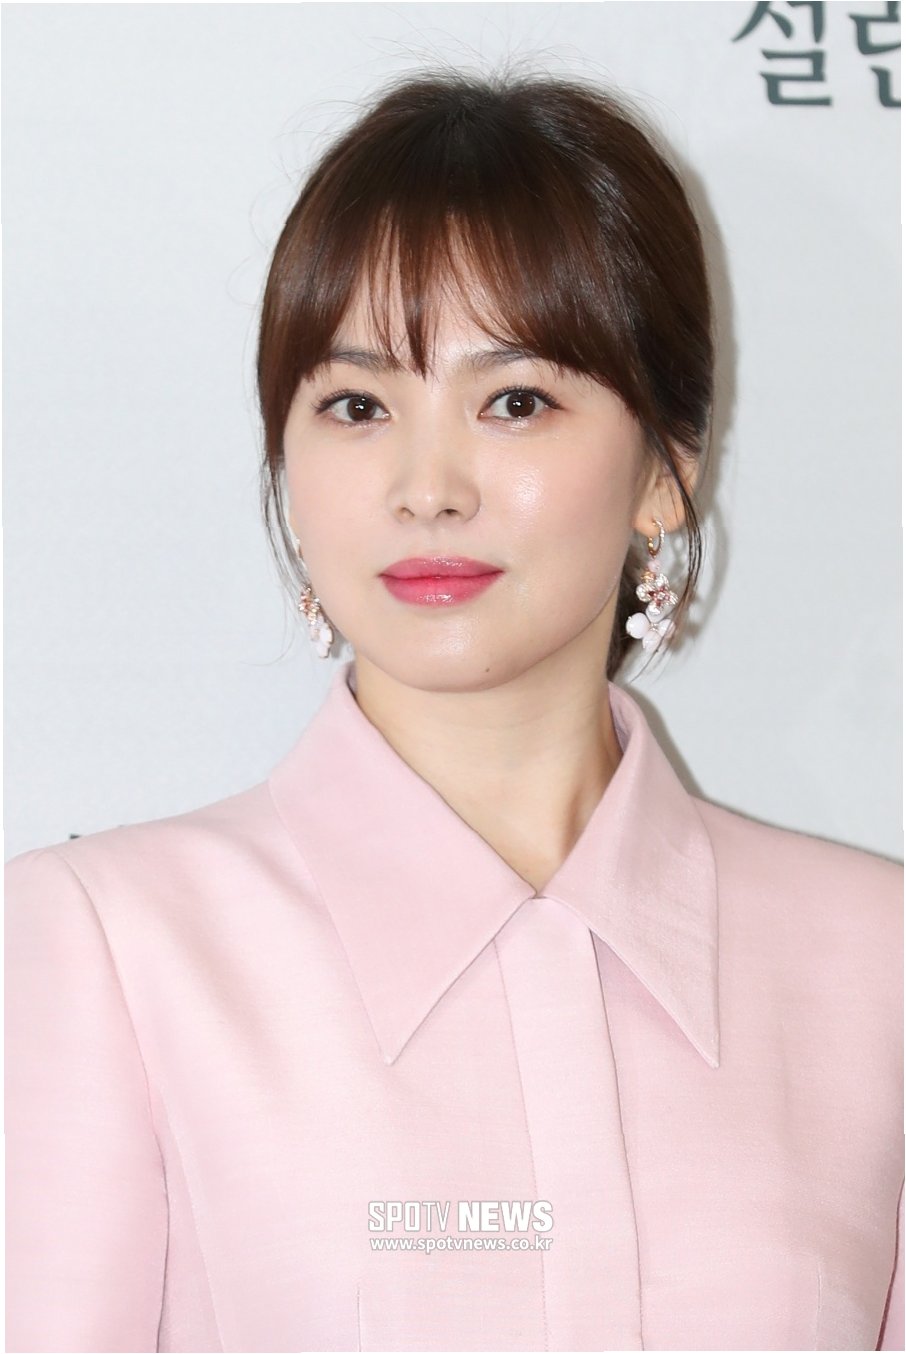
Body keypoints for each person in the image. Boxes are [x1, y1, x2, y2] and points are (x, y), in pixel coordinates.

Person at [5, 65, 902, 1354]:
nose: (428, 486)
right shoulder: (115, 948)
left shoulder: (875, 963)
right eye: (358, 406)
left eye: (515, 401)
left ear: (666, 468)